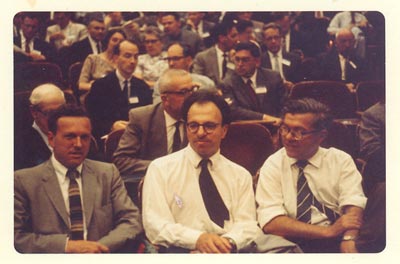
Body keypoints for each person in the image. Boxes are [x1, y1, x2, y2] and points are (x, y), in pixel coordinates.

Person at [142, 91, 260, 253]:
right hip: (180, 252)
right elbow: (155, 225)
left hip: (228, 251)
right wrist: (198, 240)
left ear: (224, 130)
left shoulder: (240, 175)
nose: (200, 132)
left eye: (209, 126)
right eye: (194, 125)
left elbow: (248, 226)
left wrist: (225, 244)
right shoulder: (161, 169)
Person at [14, 104, 143, 253]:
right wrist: (67, 246)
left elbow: (132, 221)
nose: (78, 144)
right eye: (70, 136)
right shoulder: (24, 181)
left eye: (85, 137)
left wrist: (97, 248)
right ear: (51, 139)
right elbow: (15, 236)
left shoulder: (107, 173)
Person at [255, 98, 367, 253]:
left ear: (321, 136)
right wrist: (327, 232)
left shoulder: (340, 160)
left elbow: (354, 203)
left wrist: (349, 237)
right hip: (293, 242)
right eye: (285, 129)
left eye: (299, 132)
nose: (288, 137)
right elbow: (271, 222)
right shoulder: (273, 164)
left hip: (338, 237)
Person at [113, 69, 197, 204]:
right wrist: (163, 167)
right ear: (165, 99)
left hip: (191, 188)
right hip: (154, 190)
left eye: (192, 90)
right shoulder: (142, 118)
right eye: (183, 93)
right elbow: (121, 160)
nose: (191, 97)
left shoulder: (198, 118)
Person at [85, 40, 152, 143]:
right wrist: (111, 126)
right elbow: (92, 118)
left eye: (136, 57)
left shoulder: (142, 87)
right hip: (107, 138)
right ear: (116, 58)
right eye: (127, 56)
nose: (133, 61)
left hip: (137, 139)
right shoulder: (100, 86)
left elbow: (148, 118)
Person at [221, 41, 285, 123]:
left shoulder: (273, 77)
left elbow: (284, 104)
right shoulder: (228, 83)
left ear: (257, 62)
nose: (240, 64)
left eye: (245, 60)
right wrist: (264, 118)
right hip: (246, 129)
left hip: (275, 126)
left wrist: (280, 121)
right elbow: (233, 110)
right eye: (237, 59)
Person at [14, 84, 66, 170]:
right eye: (50, 113)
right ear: (34, 112)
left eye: (61, 111)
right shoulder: (20, 145)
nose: (56, 118)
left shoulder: (76, 135)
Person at [316, 28, 368, 93]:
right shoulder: (324, 60)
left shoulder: (360, 61)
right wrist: (342, 87)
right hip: (332, 93)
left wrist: (353, 85)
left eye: (350, 41)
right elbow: (321, 82)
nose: (347, 45)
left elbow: (363, 79)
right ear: (336, 43)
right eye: (343, 41)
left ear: (354, 42)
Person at [78, 29, 126, 93]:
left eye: (121, 42)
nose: (117, 44)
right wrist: (100, 87)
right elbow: (81, 85)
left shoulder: (124, 62)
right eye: (114, 40)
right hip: (94, 94)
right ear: (107, 41)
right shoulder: (93, 59)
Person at [192, 20, 239, 86]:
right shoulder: (202, 58)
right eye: (233, 36)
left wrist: (231, 63)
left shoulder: (239, 56)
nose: (237, 39)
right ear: (222, 38)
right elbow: (198, 82)